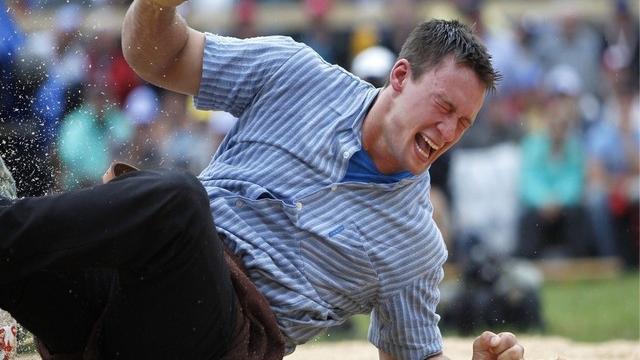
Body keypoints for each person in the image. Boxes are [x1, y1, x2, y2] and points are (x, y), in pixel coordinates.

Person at [0, 1, 524, 360]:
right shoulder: (296, 72)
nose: (448, 131)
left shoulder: (416, 244)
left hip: (220, 338)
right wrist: (157, 6)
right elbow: (163, 56)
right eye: (444, 107)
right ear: (401, 76)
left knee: (180, 202)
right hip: (120, 304)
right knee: (29, 263)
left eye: (464, 122)